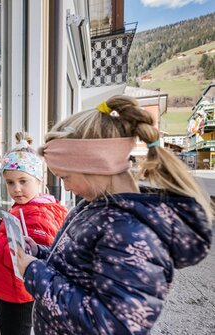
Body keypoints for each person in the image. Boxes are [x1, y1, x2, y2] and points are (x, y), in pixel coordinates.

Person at [16, 95, 212, 334]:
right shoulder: (95, 208)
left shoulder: (132, 231)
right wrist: (40, 254)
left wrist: (34, 273)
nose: (65, 187)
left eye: (65, 177)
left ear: (95, 166)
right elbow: (76, 265)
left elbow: (111, 325)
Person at [0, 132, 67, 335]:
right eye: (10, 182)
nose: (16, 189)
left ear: (39, 180)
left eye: (23, 181)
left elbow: (27, 260)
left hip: (19, 294)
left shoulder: (37, 214)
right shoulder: (27, 207)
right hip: (11, 290)